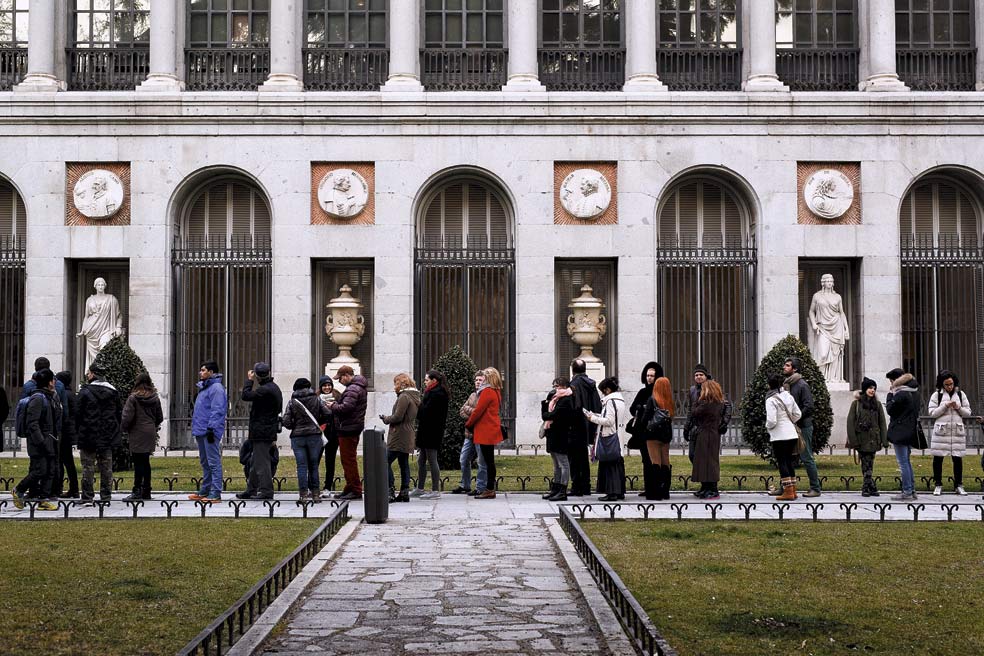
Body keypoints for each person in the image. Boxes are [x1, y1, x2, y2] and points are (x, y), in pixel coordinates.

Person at [11, 369, 61, 511]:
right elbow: (32, 424)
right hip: (40, 443)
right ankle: (19, 489)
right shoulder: (38, 398)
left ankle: (43, 499)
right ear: (49, 382)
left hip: (49, 440)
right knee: (39, 470)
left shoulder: (49, 396)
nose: (55, 382)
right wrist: (42, 442)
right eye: (53, 379)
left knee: (49, 470)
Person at [76, 362, 122, 506]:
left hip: (88, 434)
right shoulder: (113, 392)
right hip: (107, 435)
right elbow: (118, 414)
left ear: (93, 374)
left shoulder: (85, 392)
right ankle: (106, 496)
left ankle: (87, 497)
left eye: (89, 373)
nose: (87, 375)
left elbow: (78, 414)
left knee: (87, 467)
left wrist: (80, 431)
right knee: (106, 467)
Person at [237, 362, 282, 501]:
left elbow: (246, 395)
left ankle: (267, 491)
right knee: (255, 462)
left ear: (257, 375)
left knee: (262, 464)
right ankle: (251, 489)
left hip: (262, 432)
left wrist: (249, 381)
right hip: (265, 430)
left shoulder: (265, 390)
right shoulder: (273, 388)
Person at [282, 377, 332, 502]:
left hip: (298, 437)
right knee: (314, 466)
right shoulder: (316, 399)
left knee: (302, 466)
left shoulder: (292, 402)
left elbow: (286, 422)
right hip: (314, 436)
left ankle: (303, 495)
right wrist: (317, 423)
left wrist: (295, 425)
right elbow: (327, 413)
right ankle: (315, 494)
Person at [927, 370, 972, 496]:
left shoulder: (961, 394)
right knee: (938, 459)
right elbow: (932, 413)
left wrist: (958, 407)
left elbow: (968, 412)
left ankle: (958, 484)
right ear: (942, 384)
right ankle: (938, 484)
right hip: (942, 432)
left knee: (957, 459)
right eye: (946, 384)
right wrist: (945, 406)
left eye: (951, 384)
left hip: (956, 432)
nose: (949, 387)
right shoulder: (937, 395)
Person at [189, 361, 227, 503]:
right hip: (201, 430)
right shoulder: (205, 388)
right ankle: (205, 490)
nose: (200, 372)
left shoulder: (216, 388)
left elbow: (217, 410)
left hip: (209, 430)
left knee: (213, 462)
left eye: (203, 370)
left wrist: (211, 428)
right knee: (205, 462)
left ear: (211, 372)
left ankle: (215, 492)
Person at [121, 373, 163, 501]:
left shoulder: (133, 398)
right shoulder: (155, 398)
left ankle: (137, 490)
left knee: (138, 462)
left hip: (137, 431)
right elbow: (159, 417)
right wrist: (151, 424)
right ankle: (147, 490)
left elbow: (127, 417)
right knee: (145, 461)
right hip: (149, 430)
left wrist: (124, 429)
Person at [380, 373, 421, 503]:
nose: (394, 386)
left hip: (399, 433)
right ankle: (404, 492)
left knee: (385, 461)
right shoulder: (414, 396)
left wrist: (386, 419)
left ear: (401, 384)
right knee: (403, 463)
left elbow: (398, 417)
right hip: (408, 433)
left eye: (395, 383)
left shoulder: (404, 396)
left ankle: (390, 490)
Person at [783, 357, 821, 497]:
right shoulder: (787, 384)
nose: (784, 367)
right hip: (789, 426)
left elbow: (809, 406)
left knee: (806, 457)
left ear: (795, 369)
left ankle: (815, 488)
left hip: (803, 426)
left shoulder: (802, 385)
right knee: (787, 457)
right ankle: (786, 487)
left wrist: (796, 417)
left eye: (787, 365)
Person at [586, 376, 627, 502]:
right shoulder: (619, 400)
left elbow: (608, 421)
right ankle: (619, 491)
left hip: (609, 435)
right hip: (617, 434)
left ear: (607, 389)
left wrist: (592, 418)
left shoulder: (610, 401)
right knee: (616, 463)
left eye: (603, 390)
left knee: (609, 464)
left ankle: (611, 492)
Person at [846, 377, 888, 497]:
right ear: (865, 389)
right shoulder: (856, 404)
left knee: (869, 463)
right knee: (866, 462)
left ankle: (870, 487)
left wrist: (884, 440)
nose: (872, 390)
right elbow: (850, 422)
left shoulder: (878, 405)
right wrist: (853, 440)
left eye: (874, 388)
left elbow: (882, 423)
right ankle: (867, 487)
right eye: (870, 388)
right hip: (861, 439)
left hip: (874, 439)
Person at [332, 365, 369, 501]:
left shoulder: (353, 388)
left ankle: (355, 489)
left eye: (340, 378)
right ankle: (350, 487)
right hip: (351, 427)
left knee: (348, 461)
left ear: (347, 375)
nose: (340, 381)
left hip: (348, 428)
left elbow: (346, 407)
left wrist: (333, 406)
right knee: (347, 460)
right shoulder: (358, 387)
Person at [466, 367, 504, 499]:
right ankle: (489, 488)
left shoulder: (487, 392)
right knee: (489, 461)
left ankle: (489, 489)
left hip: (485, 429)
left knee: (488, 461)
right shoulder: (496, 391)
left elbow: (478, 411)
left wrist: (469, 424)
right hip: (491, 428)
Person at [411, 370, 449, 499]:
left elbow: (426, 412)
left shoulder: (437, 394)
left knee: (432, 459)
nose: (424, 382)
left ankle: (435, 490)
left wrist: (418, 406)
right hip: (426, 430)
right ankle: (420, 488)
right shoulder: (431, 392)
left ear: (434, 381)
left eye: (427, 380)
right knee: (421, 459)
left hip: (432, 431)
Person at [765, 373, 802, 501]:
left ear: (769, 385)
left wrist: (768, 427)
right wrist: (789, 422)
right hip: (791, 434)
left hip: (779, 435)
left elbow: (771, 421)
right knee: (789, 461)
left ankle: (787, 492)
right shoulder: (788, 396)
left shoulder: (770, 400)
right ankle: (793, 490)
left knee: (782, 462)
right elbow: (797, 414)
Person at [628, 361, 662, 498]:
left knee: (655, 461)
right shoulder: (643, 392)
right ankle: (648, 488)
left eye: (652, 376)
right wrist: (640, 408)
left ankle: (656, 488)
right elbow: (632, 409)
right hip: (643, 432)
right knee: (646, 461)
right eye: (647, 375)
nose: (649, 378)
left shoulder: (659, 392)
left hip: (655, 431)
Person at [885, 368, 920, 501]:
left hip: (900, 431)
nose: (891, 383)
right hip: (910, 429)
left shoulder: (901, 393)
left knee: (902, 462)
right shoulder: (914, 392)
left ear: (896, 380)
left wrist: (890, 395)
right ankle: (912, 489)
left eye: (891, 381)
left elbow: (890, 410)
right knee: (907, 461)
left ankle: (907, 491)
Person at [568, 358, 601, 496]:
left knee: (574, 458)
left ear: (573, 370)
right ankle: (586, 486)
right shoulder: (591, 384)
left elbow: (574, 407)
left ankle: (576, 487)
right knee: (582, 457)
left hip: (576, 426)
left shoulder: (573, 385)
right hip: (589, 424)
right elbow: (597, 405)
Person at [451, 371, 486, 496]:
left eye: (480, 380)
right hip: (469, 434)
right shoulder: (472, 395)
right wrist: (472, 411)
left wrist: (470, 410)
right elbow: (462, 410)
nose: (477, 382)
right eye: (476, 380)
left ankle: (481, 487)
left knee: (482, 462)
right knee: (463, 459)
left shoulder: (485, 396)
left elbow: (480, 413)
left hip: (480, 434)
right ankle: (465, 485)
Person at [541, 377, 576, 501]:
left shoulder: (566, 399)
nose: (555, 389)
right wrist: (547, 402)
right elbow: (548, 415)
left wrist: (545, 408)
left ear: (564, 387)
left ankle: (562, 490)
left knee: (563, 463)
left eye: (557, 386)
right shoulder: (556, 399)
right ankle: (555, 489)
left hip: (561, 435)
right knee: (556, 463)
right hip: (554, 434)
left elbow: (550, 415)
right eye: (554, 386)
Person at [641, 376, 675, 500]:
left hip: (653, 434)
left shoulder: (652, 400)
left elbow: (645, 418)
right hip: (666, 434)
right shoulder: (670, 401)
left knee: (655, 461)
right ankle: (665, 491)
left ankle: (655, 492)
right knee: (665, 461)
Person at [691, 379, 726, 500]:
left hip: (706, 433)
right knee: (709, 460)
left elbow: (694, 412)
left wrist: (696, 401)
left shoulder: (706, 404)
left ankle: (712, 489)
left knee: (707, 461)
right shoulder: (718, 403)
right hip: (712, 433)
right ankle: (707, 487)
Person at [52, 371, 80, 498]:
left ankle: (64, 488)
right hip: (70, 432)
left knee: (63, 461)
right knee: (67, 462)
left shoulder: (65, 394)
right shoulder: (71, 394)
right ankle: (72, 488)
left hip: (65, 432)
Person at [683, 364, 711, 463]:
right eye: (696, 375)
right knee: (692, 455)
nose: (698, 377)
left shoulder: (712, 388)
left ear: (706, 376)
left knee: (704, 456)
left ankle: (703, 476)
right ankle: (699, 473)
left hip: (706, 428)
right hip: (694, 427)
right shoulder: (692, 390)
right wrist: (686, 427)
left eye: (701, 375)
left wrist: (722, 423)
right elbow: (690, 409)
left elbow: (725, 405)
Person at [317, 376, 339, 499]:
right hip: (320, 433)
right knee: (316, 460)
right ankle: (313, 486)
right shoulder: (316, 398)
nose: (327, 387)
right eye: (324, 385)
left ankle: (327, 487)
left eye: (329, 385)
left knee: (330, 462)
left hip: (333, 434)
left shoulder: (338, 397)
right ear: (321, 387)